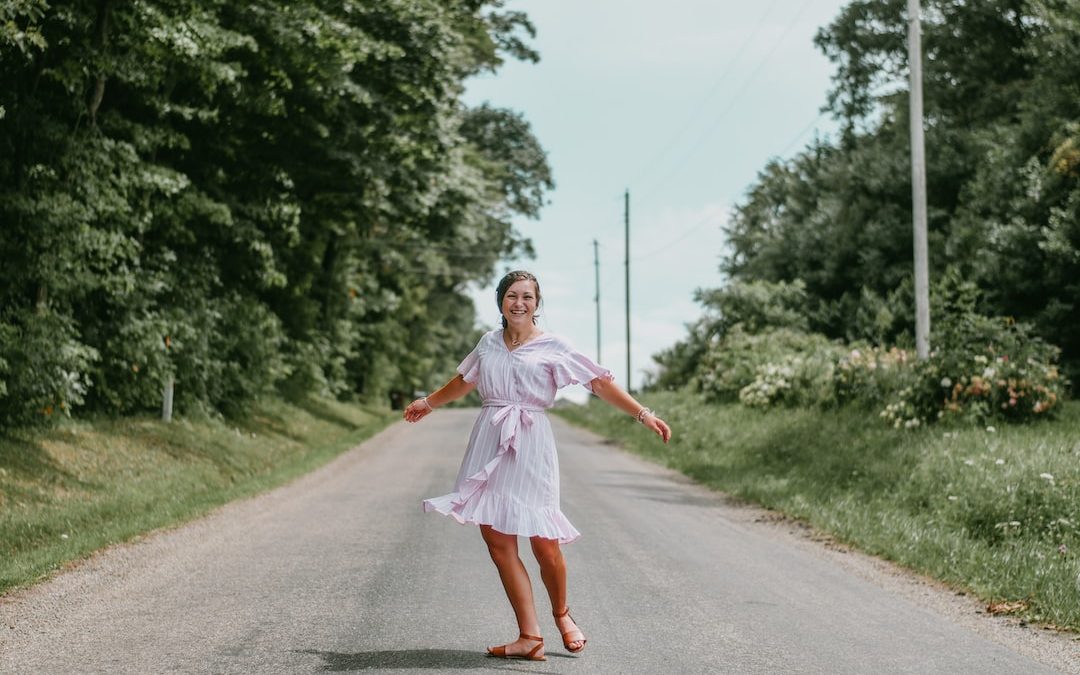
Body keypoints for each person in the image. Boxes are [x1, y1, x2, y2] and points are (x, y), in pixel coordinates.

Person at [403, 270, 672, 661]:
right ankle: (529, 636)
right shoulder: (488, 344)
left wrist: (642, 414)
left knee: (543, 539)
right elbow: (464, 382)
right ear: (500, 301)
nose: (520, 304)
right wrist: (428, 403)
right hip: (490, 437)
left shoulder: (554, 346)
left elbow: (596, 382)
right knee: (496, 538)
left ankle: (562, 614)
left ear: (537, 304)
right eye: (512, 296)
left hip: (530, 442)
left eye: (528, 297)